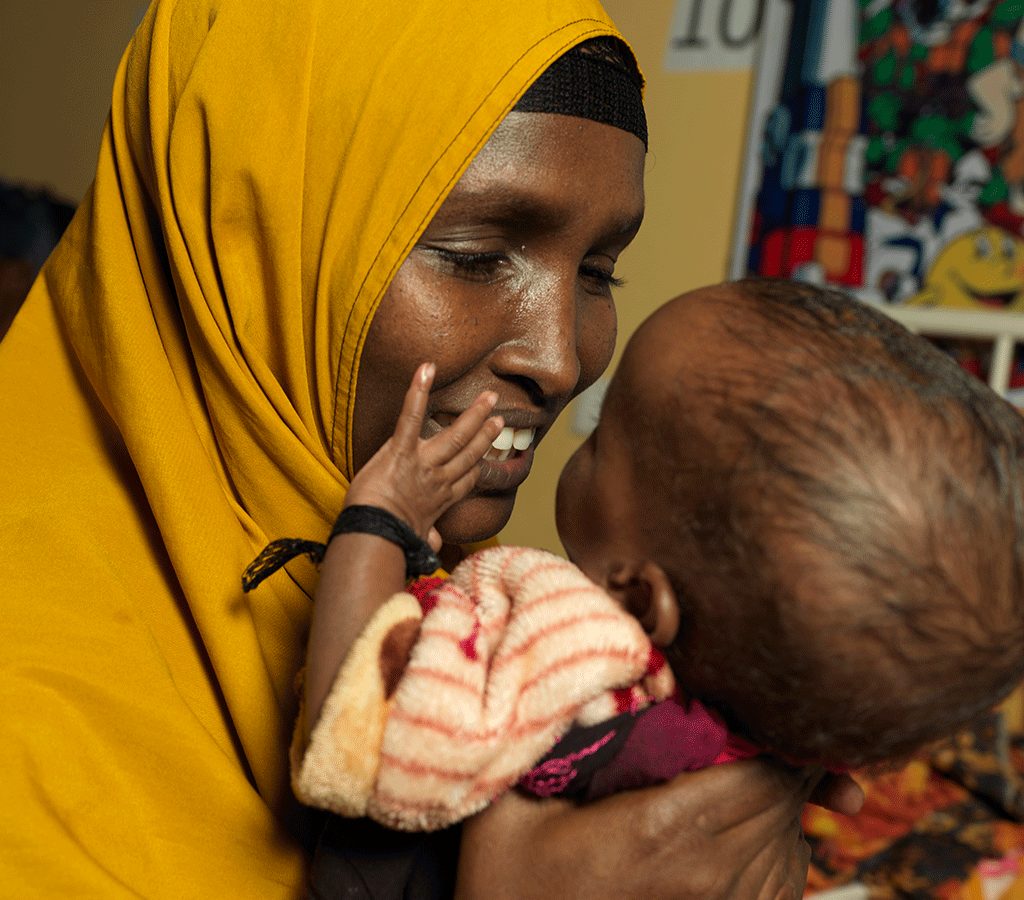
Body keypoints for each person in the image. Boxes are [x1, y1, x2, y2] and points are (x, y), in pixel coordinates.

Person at [0, 0, 859, 895]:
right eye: (476, 256)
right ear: (243, 243)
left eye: (600, 272)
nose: (562, 360)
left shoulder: (483, 620)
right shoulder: (25, 712)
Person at [286, 278, 1024, 856]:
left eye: (606, 437)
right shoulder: (750, 746)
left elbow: (350, 734)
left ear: (639, 601)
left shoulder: (572, 671)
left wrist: (382, 518)